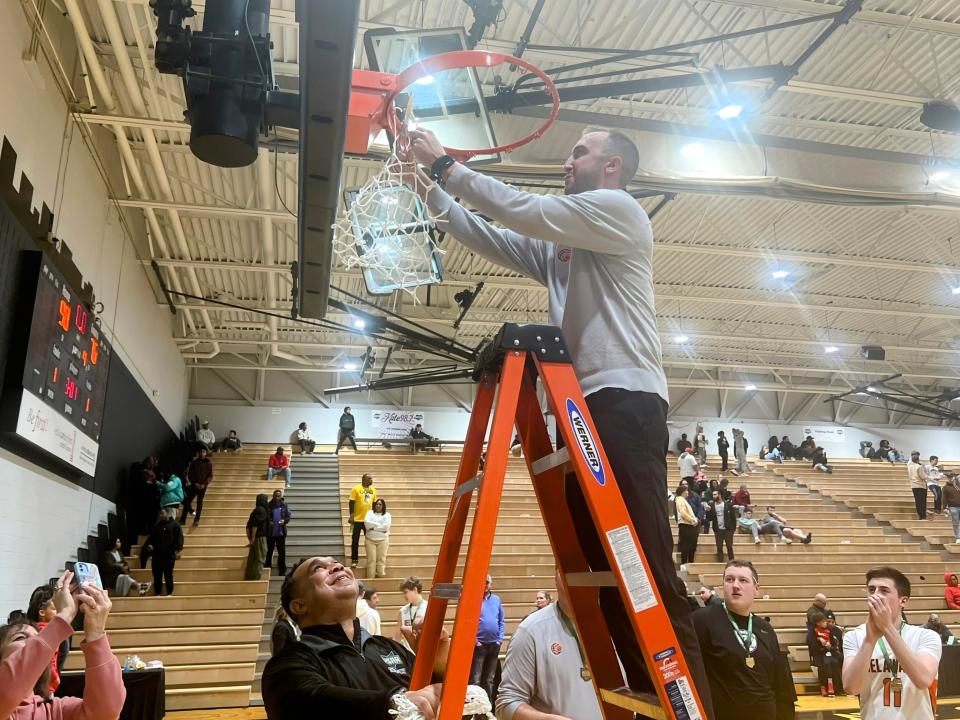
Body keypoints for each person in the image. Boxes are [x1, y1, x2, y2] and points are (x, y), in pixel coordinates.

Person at [404, 126, 713, 710]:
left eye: (579, 152)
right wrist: (430, 191)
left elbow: (528, 210)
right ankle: (651, 696)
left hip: (624, 399)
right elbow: (493, 236)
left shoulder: (619, 210)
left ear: (613, 165)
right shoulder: (567, 242)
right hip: (579, 407)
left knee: (646, 569)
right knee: (605, 573)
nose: (567, 162)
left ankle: (692, 706)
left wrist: (446, 166)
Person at [261, 557, 442, 719]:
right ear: (300, 605)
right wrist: (394, 703)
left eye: (337, 563)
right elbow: (314, 700)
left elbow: (443, 696)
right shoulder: (285, 666)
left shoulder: (390, 648)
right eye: (318, 568)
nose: (337, 567)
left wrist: (438, 662)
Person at [0, 570, 125, 719]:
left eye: (38, 637)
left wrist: (96, 632)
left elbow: (106, 712)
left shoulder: (55, 710)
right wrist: (65, 614)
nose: (35, 642)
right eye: (20, 637)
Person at [693, 560, 796, 720]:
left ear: (756, 589)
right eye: (729, 579)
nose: (735, 585)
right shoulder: (702, 620)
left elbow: (780, 684)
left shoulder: (765, 629)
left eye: (743, 580)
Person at [496, 570, 603, 720]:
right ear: (556, 575)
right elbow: (506, 705)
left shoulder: (622, 629)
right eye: (569, 570)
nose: (579, 578)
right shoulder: (530, 631)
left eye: (588, 570)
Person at [842, 566, 941, 719]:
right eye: (871, 590)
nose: (876, 595)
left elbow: (923, 680)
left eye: (884, 590)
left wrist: (886, 627)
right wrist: (869, 641)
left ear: (903, 601)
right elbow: (851, 688)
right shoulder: (854, 636)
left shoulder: (925, 636)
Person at [471, 575, 505, 703]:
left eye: (486, 583)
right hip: (479, 645)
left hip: (494, 645)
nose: (484, 585)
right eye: (481, 582)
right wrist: (476, 641)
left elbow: (501, 621)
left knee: (489, 680)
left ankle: (488, 709)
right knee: (476, 679)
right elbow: (470, 621)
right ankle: (475, 709)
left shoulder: (496, 599)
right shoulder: (474, 599)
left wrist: (499, 639)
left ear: (491, 584)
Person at [26, 586, 63, 692]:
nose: (58, 612)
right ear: (42, 612)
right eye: (54, 609)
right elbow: (48, 658)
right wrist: (55, 677)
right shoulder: (48, 632)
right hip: (45, 684)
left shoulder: (33, 629)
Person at [143, 507, 183, 595]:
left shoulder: (175, 525)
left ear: (168, 514)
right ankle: (157, 593)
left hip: (169, 555)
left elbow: (179, 539)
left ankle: (169, 593)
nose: (160, 515)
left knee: (168, 575)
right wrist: (150, 546)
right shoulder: (157, 526)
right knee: (157, 575)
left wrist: (178, 551)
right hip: (157, 555)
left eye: (162, 513)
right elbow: (151, 539)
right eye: (159, 514)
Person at [807, 610, 843, 697]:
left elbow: (834, 643)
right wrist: (822, 645)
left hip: (830, 652)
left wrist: (831, 645)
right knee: (825, 663)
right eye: (824, 621)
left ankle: (837, 686)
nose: (826, 623)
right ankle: (824, 686)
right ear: (818, 623)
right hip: (819, 653)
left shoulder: (830, 630)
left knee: (835, 660)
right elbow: (813, 647)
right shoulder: (812, 632)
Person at [348, 474, 378, 569]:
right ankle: (354, 560)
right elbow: (351, 502)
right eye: (369, 478)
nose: (371, 480)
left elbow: (374, 504)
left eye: (371, 478)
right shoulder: (356, 488)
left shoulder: (373, 490)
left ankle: (371, 560)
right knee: (355, 541)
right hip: (357, 520)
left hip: (368, 521)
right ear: (364, 479)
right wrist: (352, 515)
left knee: (370, 541)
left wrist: (375, 517)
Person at [182, 446, 213, 526]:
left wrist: (204, 484)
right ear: (199, 453)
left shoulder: (209, 463)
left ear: (206, 453)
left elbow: (210, 476)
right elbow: (190, 474)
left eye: (204, 452)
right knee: (187, 501)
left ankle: (197, 520)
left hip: (203, 487)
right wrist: (195, 483)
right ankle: (183, 519)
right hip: (194, 485)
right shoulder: (194, 462)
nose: (202, 453)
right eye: (201, 452)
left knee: (199, 503)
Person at [397, 576, 428, 653]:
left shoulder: (429, 608)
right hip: (407, 655)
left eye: (406, 592)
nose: (404, 596)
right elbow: (397, 637)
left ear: (415, 589)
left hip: (423, 652)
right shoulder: (402, 611)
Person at [245, 494, 271, 581]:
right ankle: (255, 581)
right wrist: (252, 538)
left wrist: (250, 539)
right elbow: (255, 526)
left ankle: (248, 579)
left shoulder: (255, 510)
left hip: (255, 538)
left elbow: (248, 526)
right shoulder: (262, 510)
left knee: (252, 560)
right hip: (260, 538)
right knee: (260, 559)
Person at [364, 498, 391, 579]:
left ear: (383, 506)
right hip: (370, 540)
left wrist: (374, 528)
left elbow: (386, 527)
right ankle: (370, 578)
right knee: (371, 560)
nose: (378, 506)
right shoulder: (370, 513)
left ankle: (380, 576)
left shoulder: (387, 515)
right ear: (374, 505)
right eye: (377, 504)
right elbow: (367, 524)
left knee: (381, 559)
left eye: (380, 504)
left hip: (383, 540)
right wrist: (380, 526)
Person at [707, 489, 737, 563]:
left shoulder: (728, 504)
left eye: (715, 494)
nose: (713, 496)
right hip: (718, 529)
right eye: (713, 495)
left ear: (719, 495)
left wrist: (733, 529)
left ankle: (732, 562)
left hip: (728, 529)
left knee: (729, 547)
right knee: (719, 547)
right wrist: (707, 511)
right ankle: (720, 562)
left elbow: (733, 517)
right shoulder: (711, 505)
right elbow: (709, 519)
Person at [267, 489, 292, 576]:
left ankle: (282, 570)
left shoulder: (284, 505)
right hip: (270, 533)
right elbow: (266, 517)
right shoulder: (269, 505)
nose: (277, 497)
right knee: (269, 552)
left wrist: (284, 521)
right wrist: (269, 522)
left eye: (279, 496)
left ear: (281, 496)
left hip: (281, 533)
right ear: (273, 496)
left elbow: (288, 517)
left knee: (281, 552)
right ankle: (267, 569)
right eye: (275, 495)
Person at [676, 486, 699, 569]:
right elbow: (683, 513)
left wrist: (693, 519)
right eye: (686, 491)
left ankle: (690, 564)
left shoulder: (683, 500)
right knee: (686, 546)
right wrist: (692, 520)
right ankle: (684, 565)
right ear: (682, 492)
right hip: (685, 525)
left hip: (689, 525)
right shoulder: (679, 499)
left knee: (691, 546)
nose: (688, 492)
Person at [908, 451, 928, 520]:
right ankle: (923, 516)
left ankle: (920, 515)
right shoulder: (919, 467)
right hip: (920, 485)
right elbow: (923, 477)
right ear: (918, 459)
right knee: (922, 501)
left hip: (913, 485)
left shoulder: (909, 466)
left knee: (917, 501)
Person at [944, 471, 960, 543]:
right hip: (953, 507)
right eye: (949, 477)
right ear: (947, 478)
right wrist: (945, 508)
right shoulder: (945, 488)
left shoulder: (958, 486)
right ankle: (958, 537)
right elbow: (944, 498)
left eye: (952, 477)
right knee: (955, 523)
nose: (950, 479)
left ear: (954, 477)